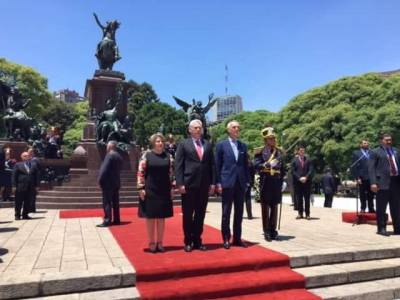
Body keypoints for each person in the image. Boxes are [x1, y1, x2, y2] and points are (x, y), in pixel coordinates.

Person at [175, 119, 215, 252]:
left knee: (200, 214)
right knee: (187, 214)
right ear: (190, 130)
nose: (198, 130)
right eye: (196, 128)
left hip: (204, 185)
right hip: (188, 185)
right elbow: (178, 165)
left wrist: (213, 183)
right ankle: (188, 241)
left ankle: (197, 240)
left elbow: (212, 165)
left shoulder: (208, 145)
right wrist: (180, 183)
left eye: (200, 127)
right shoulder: (183, 144)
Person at [215, 121, 250, 249]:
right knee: (226, 212)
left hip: (240, 183)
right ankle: (225, 238)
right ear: (228, 130)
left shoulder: (243, 146)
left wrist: (247, 181)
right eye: (234, 127)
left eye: (238, 127)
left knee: (239, 212)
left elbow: (246, 165)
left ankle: (237, 238)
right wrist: (218, 182)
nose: (237, 129)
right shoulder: (221, 145)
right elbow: (217, 166)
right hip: (227, 182)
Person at [137, 133, 174, 253]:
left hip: (164, 190)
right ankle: (151, 242)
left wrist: (172, 187)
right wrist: (140, 188)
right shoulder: (146, 155)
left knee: (161, 218)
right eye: (158, 141)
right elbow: (141, 172)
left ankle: (160, 242)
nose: (160, 143)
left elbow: (171, 174)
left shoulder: (168, 157)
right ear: (153, 143)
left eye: (162, 141)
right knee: (150, 217)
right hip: (150, 190)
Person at [254, 127, 285, 241]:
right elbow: (256, 165)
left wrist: (283, 181)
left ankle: (273, 230)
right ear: (266, 140)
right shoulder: (260, 151)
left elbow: (283, 168)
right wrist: (266, 165)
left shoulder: (279, 152)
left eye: (273, 138)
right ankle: (266, 230)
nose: (273, 140)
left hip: (276, 181)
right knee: (265, 206)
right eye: (270, 138)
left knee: (275, 205)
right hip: (266, 180)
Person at [368, 133, 400, 236]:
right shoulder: (375, 152)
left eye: (390, 140)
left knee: (396, 207)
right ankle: (381, 228)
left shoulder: (396, 151)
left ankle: (398, 228)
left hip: (396, 182)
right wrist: (373, 183)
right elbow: (371, 168)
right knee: (381, 207)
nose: (389, 142)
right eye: (387, 140)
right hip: (382, 183)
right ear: (381, 141)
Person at [97, 140, 123, 227]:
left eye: (107, 146)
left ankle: (107, 220)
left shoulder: (109, 155)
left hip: (108, 183)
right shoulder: (119, 156)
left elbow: (104, 169)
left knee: (107, 202)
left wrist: (100, 180)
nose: (106, 148)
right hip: (116, 182)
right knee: (115, 202)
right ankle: (116, 219)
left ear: (110, 147)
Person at [13, 152, 40, 220]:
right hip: (20, 186)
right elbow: (14, 176)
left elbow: (37, 176)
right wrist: (14, 186)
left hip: (30, 186)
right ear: (21, 157)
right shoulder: (17, 165)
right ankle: (17, 215)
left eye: (27, 156)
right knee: (18, 201)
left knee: (28, 201)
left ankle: (25, 214)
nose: (26, 157)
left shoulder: (33, 165)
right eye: (25, 156)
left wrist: (37, 185)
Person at [351, 140, 375, 213]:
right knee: (362, 194)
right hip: (361, 177)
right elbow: (354, 167)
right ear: (360, 145)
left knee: (371, 194)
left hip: (371, 177)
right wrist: (357, 177)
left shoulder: (372, 153)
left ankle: (371, 208)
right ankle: (363, 208)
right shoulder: (356, 153)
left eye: (367, 143)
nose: (366, 144)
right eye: (364, 143)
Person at [292, 146, 314, 220]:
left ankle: (307, 214)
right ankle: (300, 213)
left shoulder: (308, 160)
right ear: (298, 151)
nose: (302, 152)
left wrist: (306, 177)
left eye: (303, 150)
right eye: (301, 150)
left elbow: (311, 170)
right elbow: (293, 171)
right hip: (298, 182)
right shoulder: (294, 160)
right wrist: (299, 178)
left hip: (306, 182)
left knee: (307, 199)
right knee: (299, 198)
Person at [27, 147, 41, 213]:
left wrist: (37, 183)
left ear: (33, 152)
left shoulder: (35, 159)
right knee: (29, 195)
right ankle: (29, 208)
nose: (29, 153)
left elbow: (38, 171)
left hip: (33, 180)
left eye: (30, 152)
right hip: (27, 181)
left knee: (32, 195)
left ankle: (32, 208)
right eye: (28, 151)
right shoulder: (28, 159)